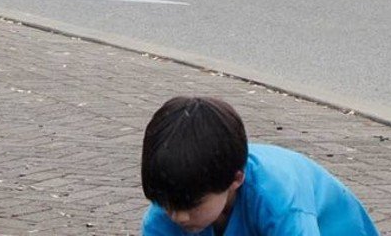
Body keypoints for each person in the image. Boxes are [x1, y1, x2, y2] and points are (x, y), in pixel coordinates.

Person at [140, 95, 378, 235]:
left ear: (236, 179)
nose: (179, 217)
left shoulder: (280, 202)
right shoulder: (172, 200)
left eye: (192, 205)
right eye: (167, 204)